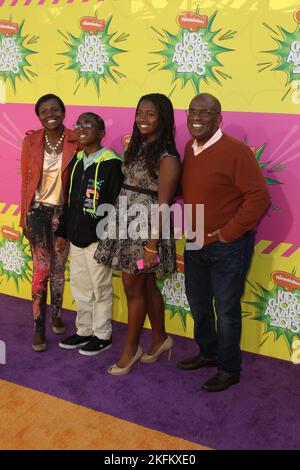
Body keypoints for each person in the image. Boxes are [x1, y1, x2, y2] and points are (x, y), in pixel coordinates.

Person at [177, 93, 270, 392]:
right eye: (193, 110)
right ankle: (208, 353)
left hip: (227, 246)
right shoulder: (189, 149)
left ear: (218, 118)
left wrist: (227, 233)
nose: (197, 116)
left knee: (227, 309)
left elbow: (259, 197)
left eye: (205, 112)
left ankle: (229, 368)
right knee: (198, 303)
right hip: (194, 242)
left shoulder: (237, 151)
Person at [94, 93, 181, 375]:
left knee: (134, 288)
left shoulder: (168, 157)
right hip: (124, 222)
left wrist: (152, 247)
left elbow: (164, 205)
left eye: (150, 114)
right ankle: (160, 339)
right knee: (145, 286)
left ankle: (131, 351)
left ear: (163, 118)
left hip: (145, 233)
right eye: (140, 113)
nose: (143, 119)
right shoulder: (139, 147)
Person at [55, 113, 123, 356]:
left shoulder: (112, 163)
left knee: (100, 288)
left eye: (89, 125)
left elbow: (117, 205)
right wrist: (62, 232)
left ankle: (102, 334)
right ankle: (84, 329)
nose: (82, 128)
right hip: (75, 238)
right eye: (79, 124)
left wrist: (109, 239)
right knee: (81, 287)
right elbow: (69, 201)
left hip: (99, 240)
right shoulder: (76, 161)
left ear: (102, 132)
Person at [20, 94, 78, 352]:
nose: (49, 114)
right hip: (37, 214)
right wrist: (24, 215)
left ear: (64, 112)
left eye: (54, 109)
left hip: (63, 214)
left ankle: (56, 313)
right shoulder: (30, 140)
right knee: (41, 271)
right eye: (43, 111)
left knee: (58, 269)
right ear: (39, 116)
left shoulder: (76, 140)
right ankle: (38, 327)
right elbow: (26, 182)